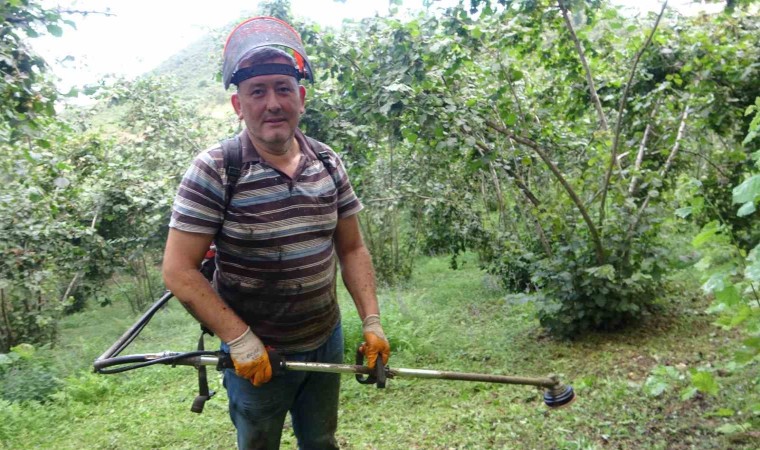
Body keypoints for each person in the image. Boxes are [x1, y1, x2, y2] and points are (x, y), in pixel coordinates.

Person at [162, 16, 390, 450]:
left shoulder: (328, 162)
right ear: (238, 105)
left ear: (301, 98)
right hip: (258, 350)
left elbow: (353, 248)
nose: (272, 103)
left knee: (321, 439)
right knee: (258, 442)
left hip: (326, 337)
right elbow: (177, 271)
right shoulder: (215, 169)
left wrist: (372, 323)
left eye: (283, 89)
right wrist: (240, 339)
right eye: (257, 91)